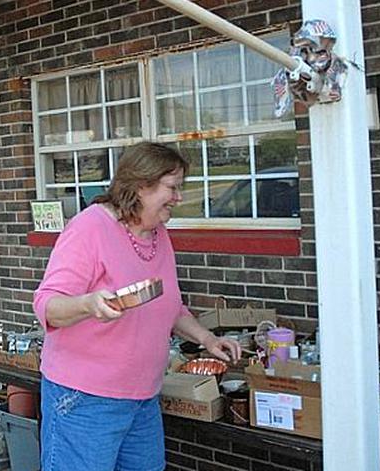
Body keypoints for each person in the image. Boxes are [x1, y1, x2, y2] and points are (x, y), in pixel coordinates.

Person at [33, 142, 240, 471]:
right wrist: (88, 304)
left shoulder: (158, 234)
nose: (178, 198)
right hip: (85, 399)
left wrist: (207, 340)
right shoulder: (90, 228)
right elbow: (47, 305)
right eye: (172, 188)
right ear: (141, 186)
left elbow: (170, 306)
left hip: (142, 398)